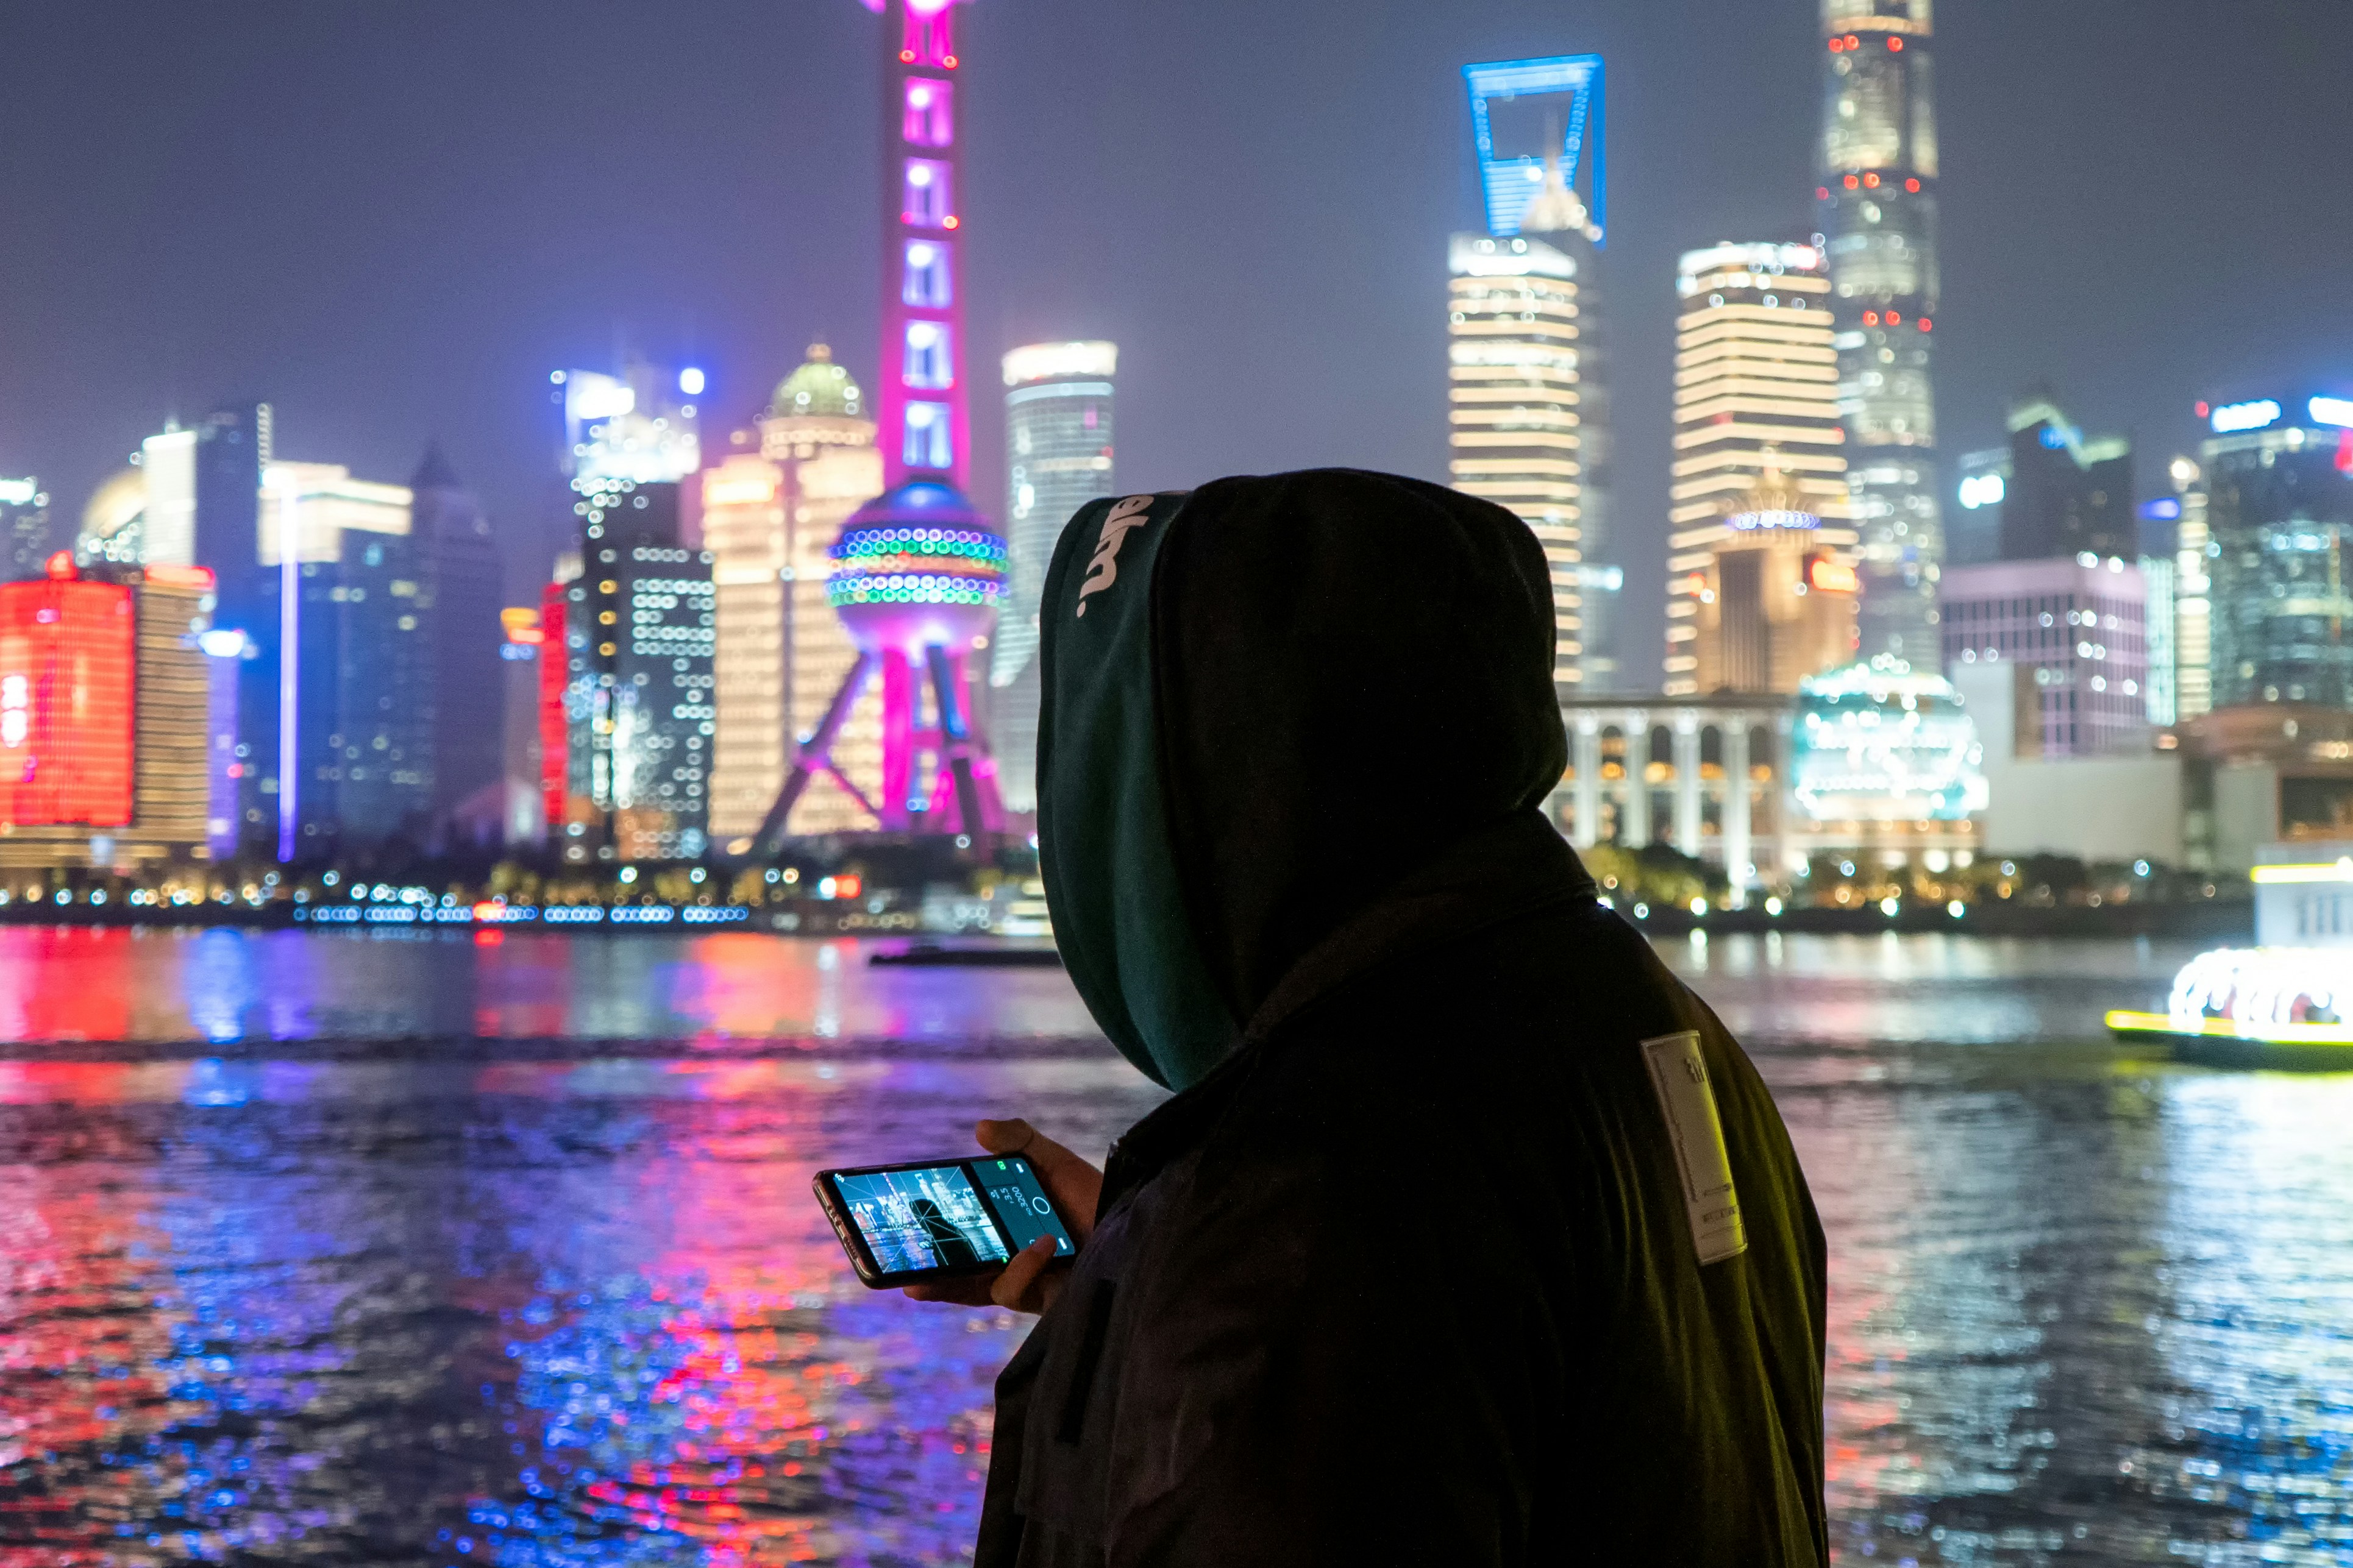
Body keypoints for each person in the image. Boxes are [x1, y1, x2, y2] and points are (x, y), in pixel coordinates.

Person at [910, 469, 1828, 1564]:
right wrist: (1136, 1277)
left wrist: (1207, 1273)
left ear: (1215, 778)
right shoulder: (1665, 1032)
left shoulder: (1317, 1185)